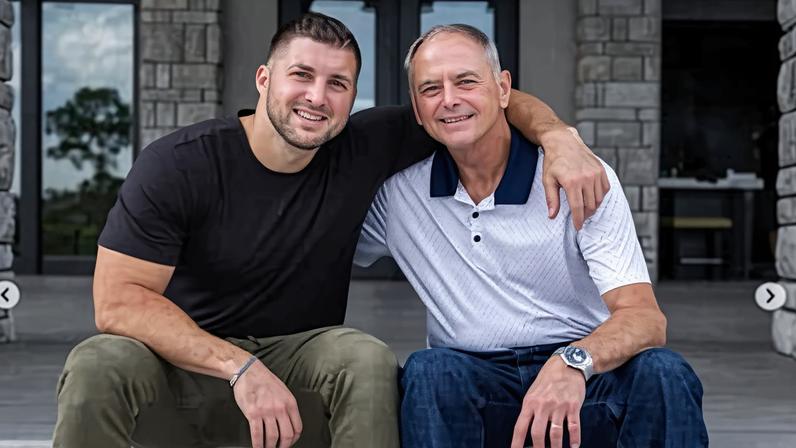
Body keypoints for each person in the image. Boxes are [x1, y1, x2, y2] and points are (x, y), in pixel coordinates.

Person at [53, 13, 609, 448]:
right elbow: (119, 302)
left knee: (363, 359)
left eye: (337, 83)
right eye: (301, 75)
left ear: (353, 97)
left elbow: (487, 102)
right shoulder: (180, 164)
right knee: (99, 361)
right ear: (265, 78)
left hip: (300, 380)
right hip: (184, 376)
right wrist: (237, 366)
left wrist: (560, 137)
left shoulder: (365, 146)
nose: (317, 97)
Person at [355, 24, 709, 448]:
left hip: (585, 383)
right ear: (416, 108)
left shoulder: (578, 176)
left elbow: (645, 318)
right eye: (431, 88)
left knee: (663, 373)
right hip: (474, 387)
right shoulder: (398, 196)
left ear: (504, 89)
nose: (449, 99)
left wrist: (574, 362)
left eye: (466, 81)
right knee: (430, 372)